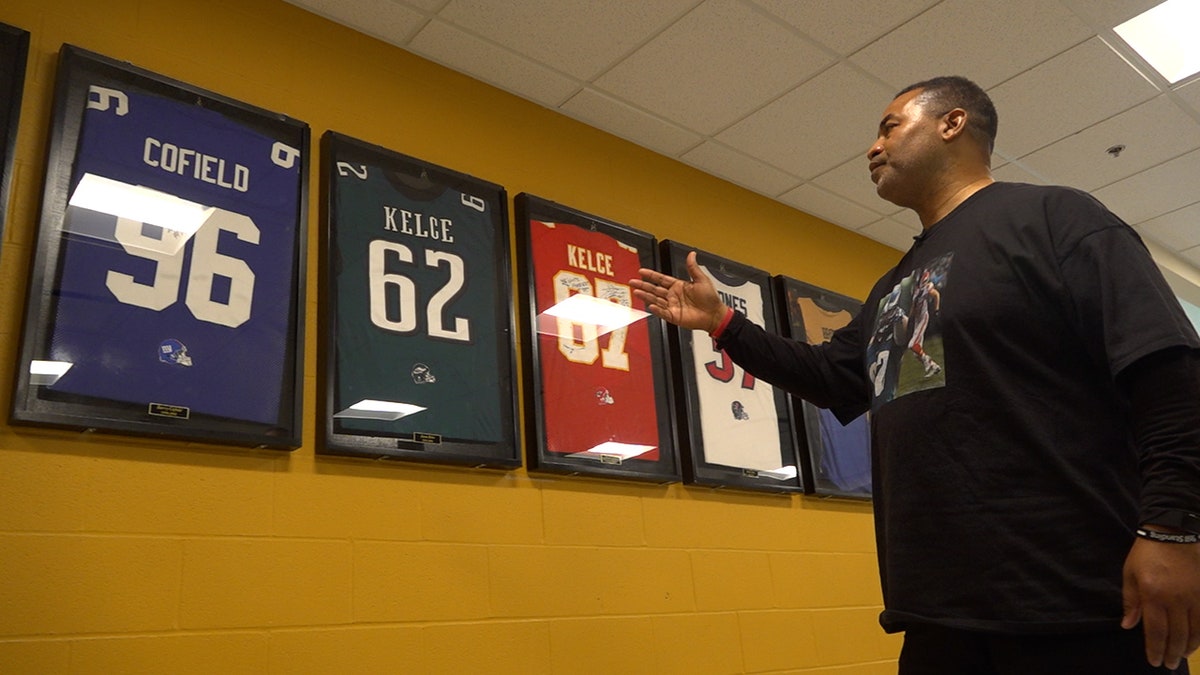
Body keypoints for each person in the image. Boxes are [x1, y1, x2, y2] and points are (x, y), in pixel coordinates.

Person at [631, 76, 1200, 674]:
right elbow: (833, 378)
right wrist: (723, 324)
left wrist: (1174, 530)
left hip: (1077, 610)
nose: (872, 148)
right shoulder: (897, 283)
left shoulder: (1056, 217)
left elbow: (1168, 371)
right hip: (935, 619)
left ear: (952, 124)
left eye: (890, 126)